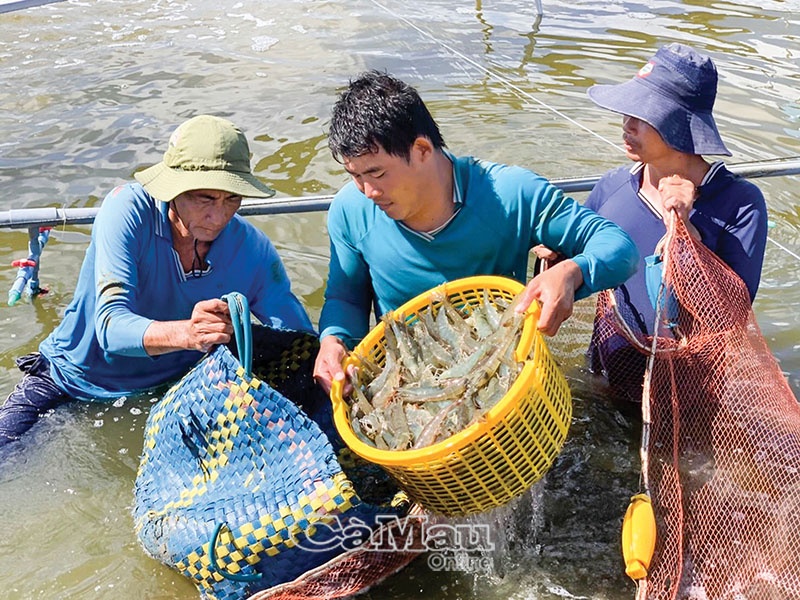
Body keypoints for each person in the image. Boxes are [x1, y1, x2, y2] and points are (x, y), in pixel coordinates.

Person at [313, 70, 640, 393]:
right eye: (355, 176)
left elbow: (619, 248)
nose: (368, 191)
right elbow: (347, 297)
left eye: (377, 173)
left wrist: (573, 271)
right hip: (410, 387)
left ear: (423, 150)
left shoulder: (512, 194)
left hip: (503, 379)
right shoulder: (350, 210)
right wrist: (333, 340)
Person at [0, 114, 313, 447]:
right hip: (71, 378)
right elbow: (110, 327)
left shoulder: (253, 250)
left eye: (232, 199)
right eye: (205, 198)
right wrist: (189, 333)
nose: (219, 216)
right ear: (173, 189)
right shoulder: (128, 210)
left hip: (180, 389)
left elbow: (300, 343)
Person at [583, 43, 768, 401]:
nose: (627, 125)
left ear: (679, 125)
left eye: (642, 115)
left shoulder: (739, 204)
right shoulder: (612, 186)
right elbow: (577, 261)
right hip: (605, 373)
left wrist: (685, 231)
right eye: (627, 112)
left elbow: (730, 316)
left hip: (688, 395)